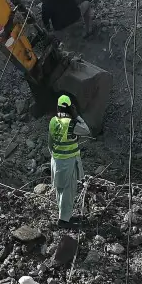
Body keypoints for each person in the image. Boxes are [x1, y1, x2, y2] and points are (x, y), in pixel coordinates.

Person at [48, 94, 91, 223]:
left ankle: (64, 215)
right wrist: (76, 115)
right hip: (68, 162)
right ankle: (64, 221)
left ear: (58, 107)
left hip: (56, 161)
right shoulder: (72, 124)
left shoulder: (53, 121)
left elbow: (50, 143)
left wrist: (55, 156)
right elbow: (86, 130)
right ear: (70, 108)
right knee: (68, 190)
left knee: (60, 189)